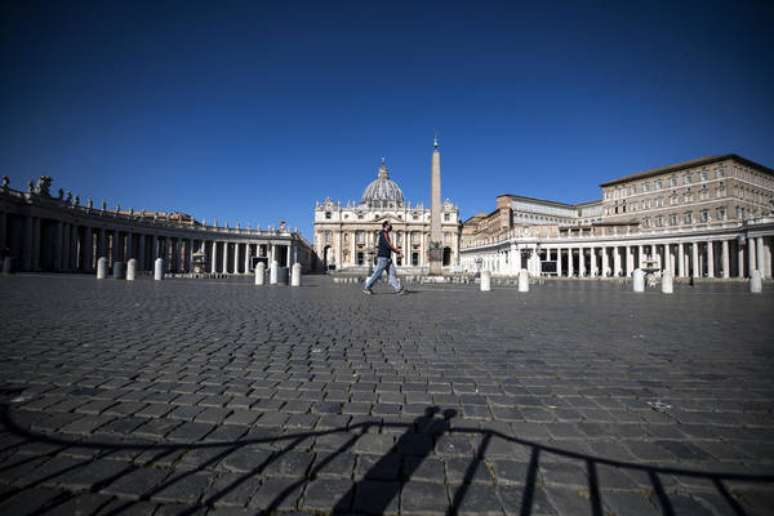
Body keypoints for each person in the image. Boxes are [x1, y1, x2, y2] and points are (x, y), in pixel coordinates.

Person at [362, 221, 405, 295]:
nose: (391, 226)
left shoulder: (386, 234)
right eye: (390, 225)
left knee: (392, 273)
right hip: (383, 258)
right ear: (386, 226)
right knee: (377, 273)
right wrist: (397, 251)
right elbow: (389, 245)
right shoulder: (383, 233)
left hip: (388, 258)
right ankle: (367, 287)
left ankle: (398, 289)